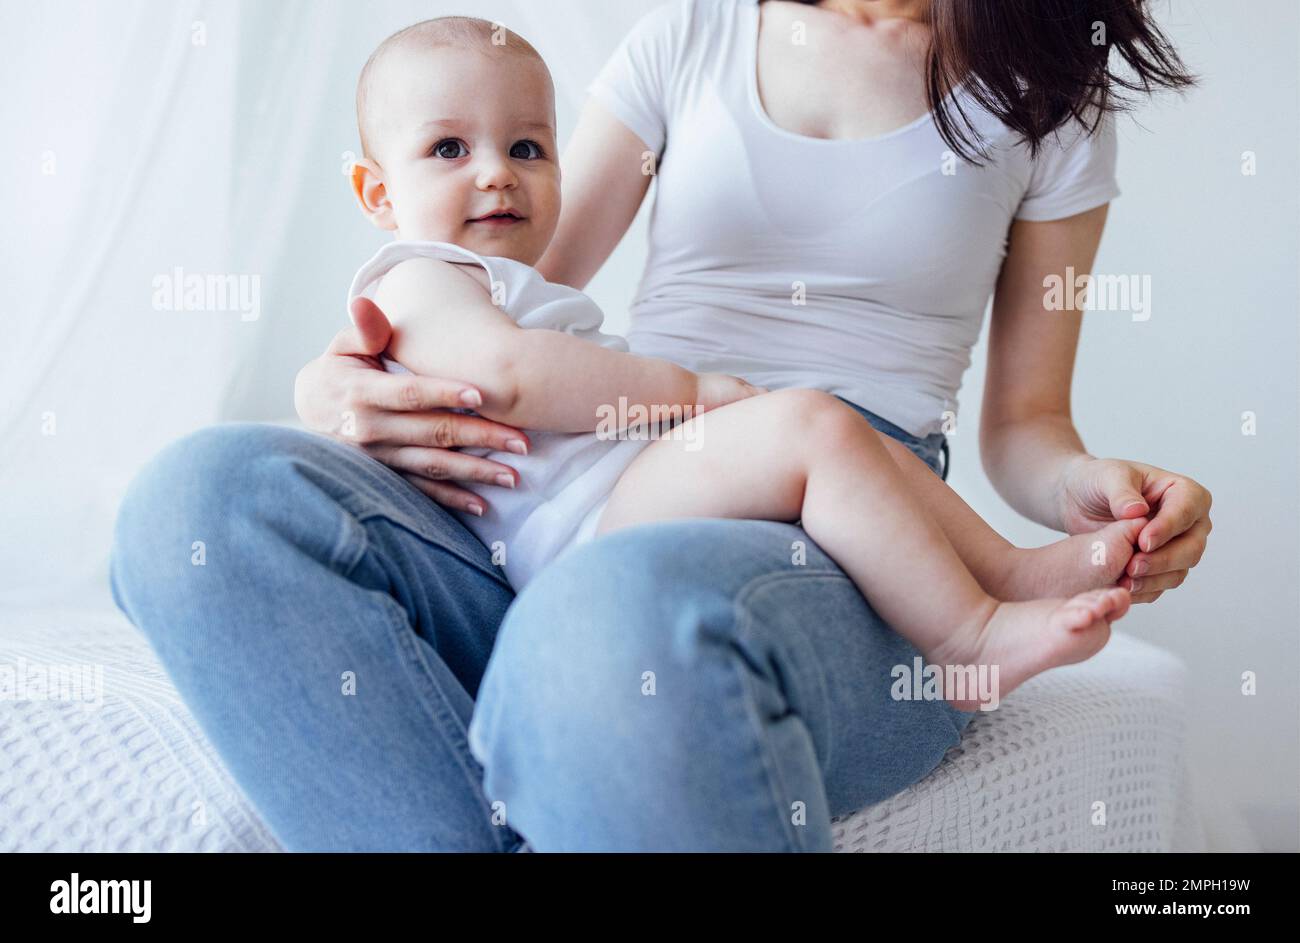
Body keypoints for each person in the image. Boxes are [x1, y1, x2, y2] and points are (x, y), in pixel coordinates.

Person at [113, 0, 1211, 851]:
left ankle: (980, 610)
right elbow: (497, 285)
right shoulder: (696, 32)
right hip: (621, 456)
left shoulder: (1046, 90)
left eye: (515, 144)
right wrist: (337, 378)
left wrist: (1084, 482)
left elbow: (1024, 423)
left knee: (614, 612)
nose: (494, 165)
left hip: (850, 532)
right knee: (200, 502)